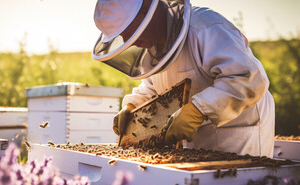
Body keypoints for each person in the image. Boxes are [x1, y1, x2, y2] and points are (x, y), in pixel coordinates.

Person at [91, 0, 275, 157]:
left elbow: (249, 78)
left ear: (149, 10)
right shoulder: (155, 48)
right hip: (195, 141)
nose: (127, 40)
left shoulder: (205, 27)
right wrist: (133, 106)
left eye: (130, 30)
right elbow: (153, 87)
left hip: (238, 134)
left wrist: (198, 110)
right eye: (122, 35)